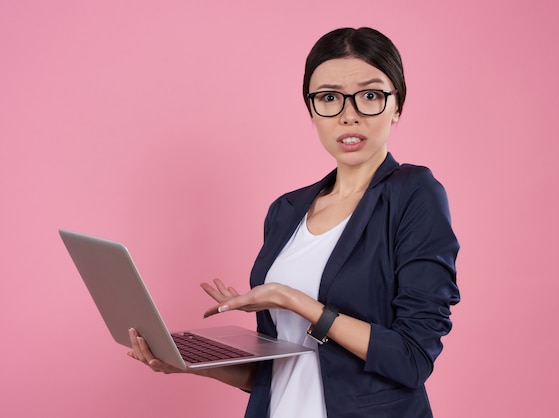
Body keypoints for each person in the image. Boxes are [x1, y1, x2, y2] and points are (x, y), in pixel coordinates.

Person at [128, 27, 460, 418]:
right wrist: (188, 362)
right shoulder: (286, 211)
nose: (348, 115)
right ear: (311, 109)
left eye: (370, 95)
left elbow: (412, 358)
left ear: (397, 105)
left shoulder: (414, 193)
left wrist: (295, 301)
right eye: (329, 98)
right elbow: (276, 374)